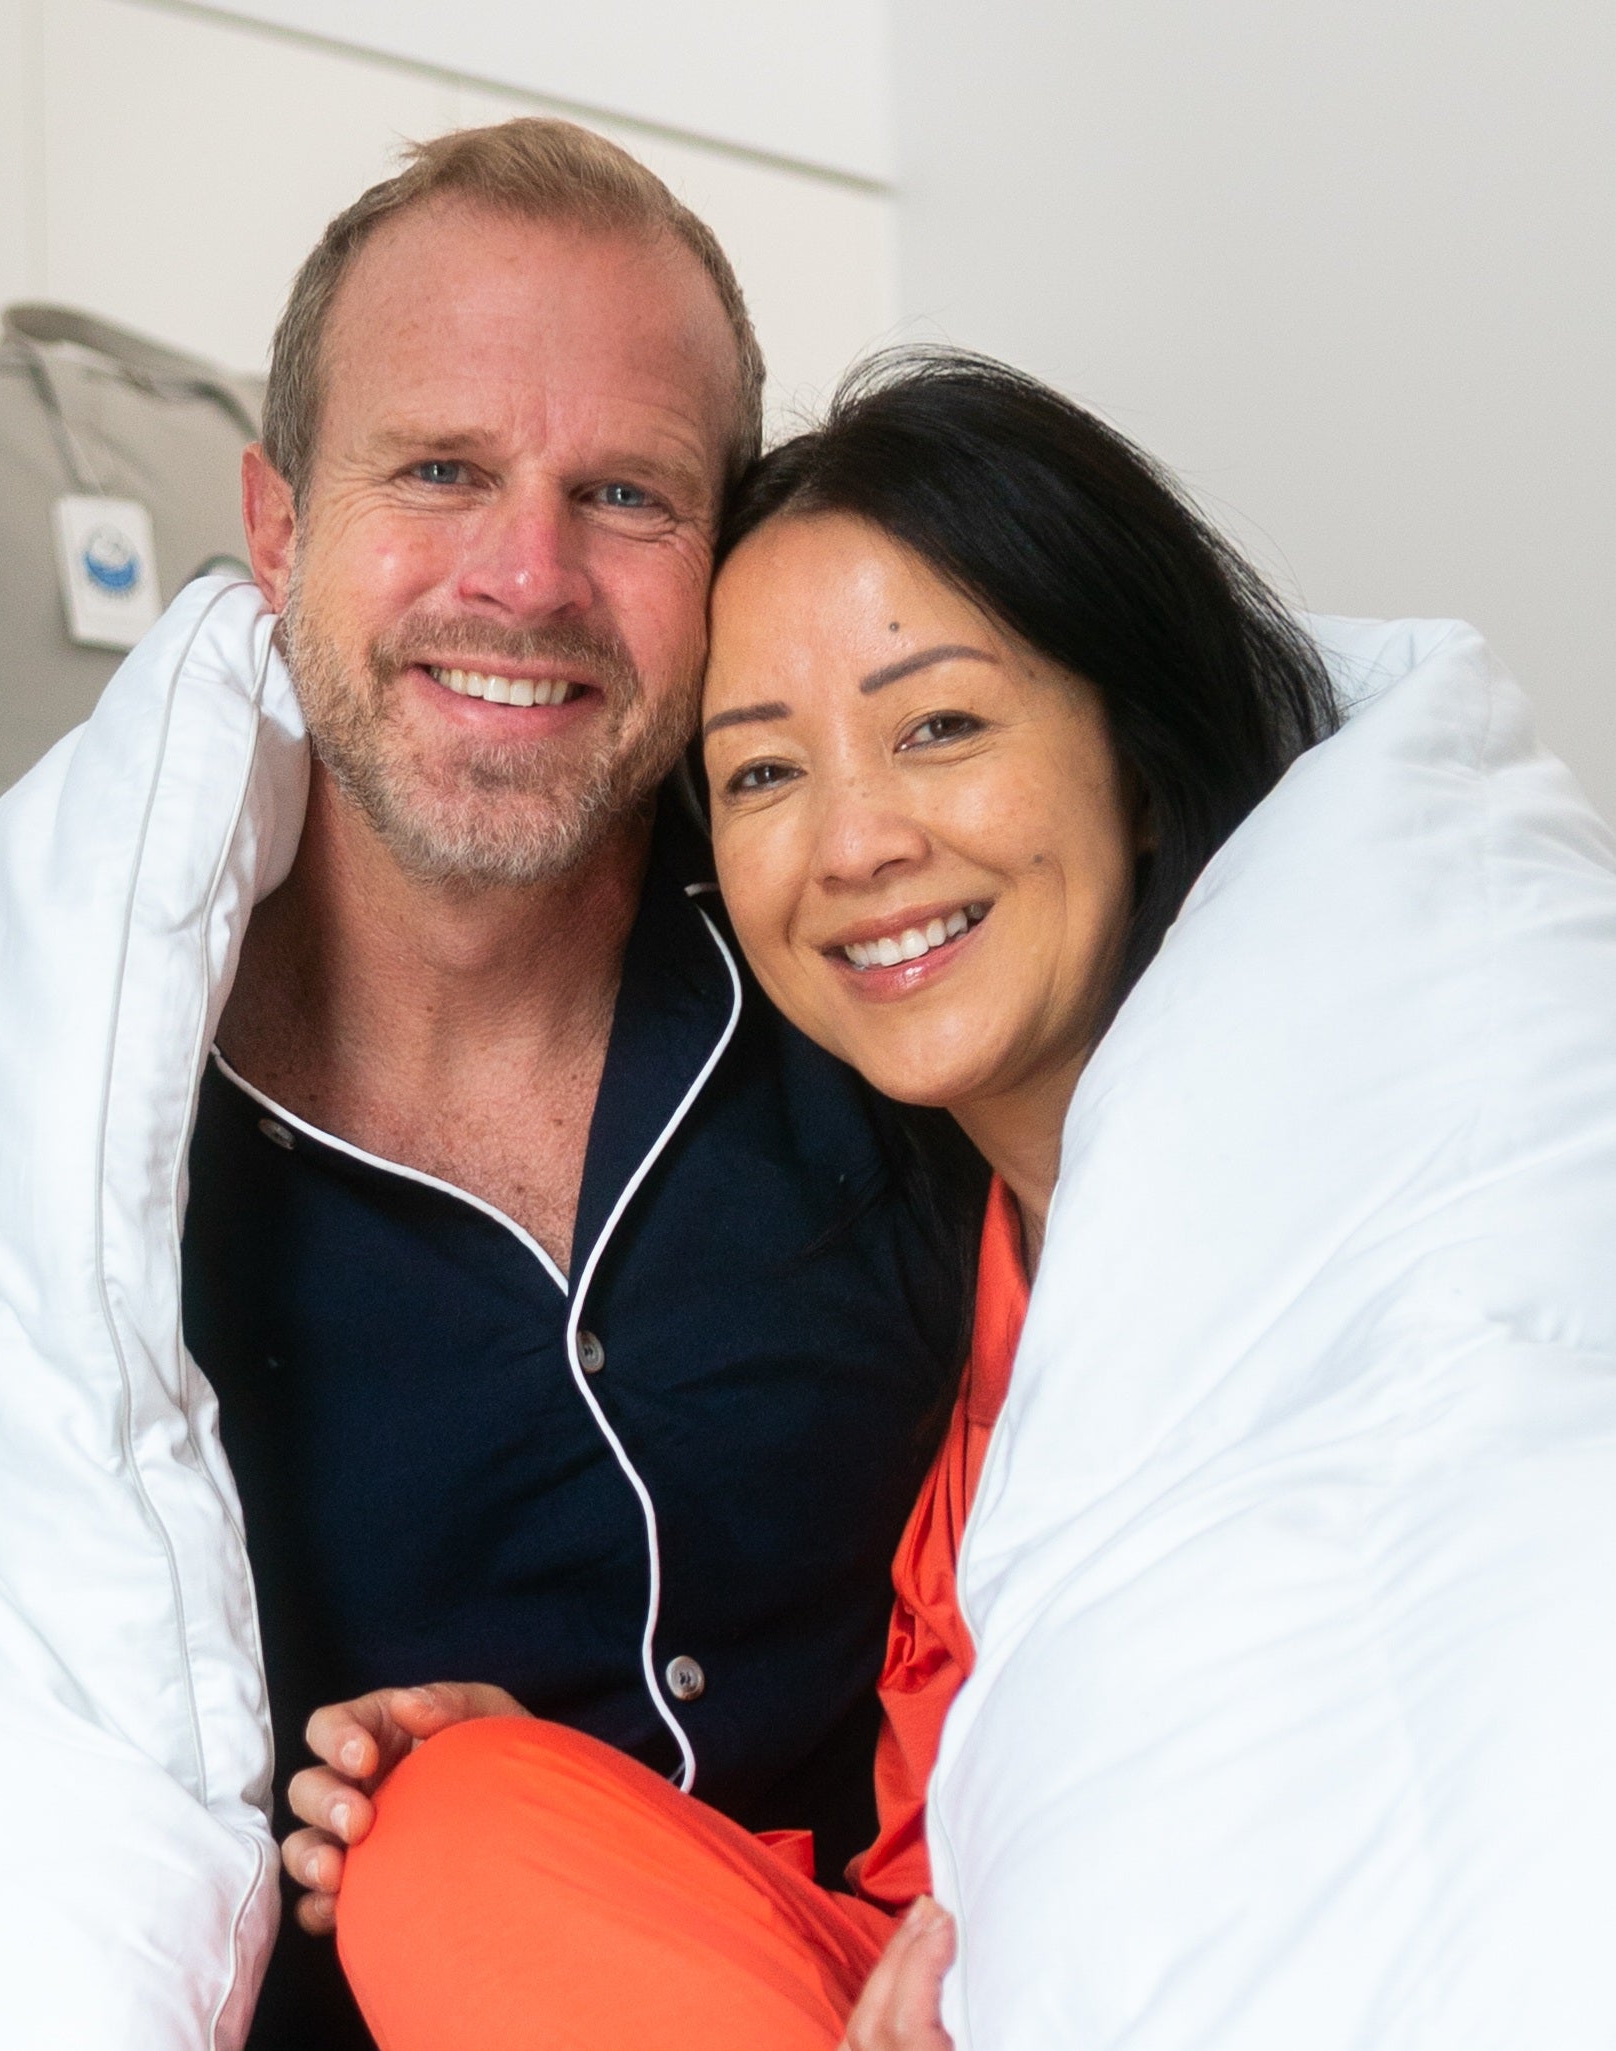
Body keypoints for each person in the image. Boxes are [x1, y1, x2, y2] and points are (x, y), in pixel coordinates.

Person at [278, 348, 1338, 2050]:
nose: (852, 848)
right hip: (929, 1979)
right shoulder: (982, 1245)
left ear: (1135, 759)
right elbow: (918, 1892)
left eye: (938, 728)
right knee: (445, 1829)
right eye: (764, 773)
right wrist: (571, 1810)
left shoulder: (1335, 1201)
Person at [191, 125, 977, 2045]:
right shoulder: (89, 1137)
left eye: (625, 494)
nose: (526, 578)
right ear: (280, 527)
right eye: (440, 469)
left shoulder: (887, 986)